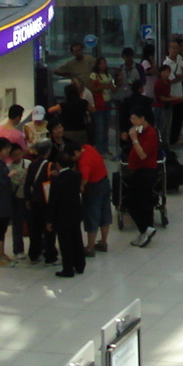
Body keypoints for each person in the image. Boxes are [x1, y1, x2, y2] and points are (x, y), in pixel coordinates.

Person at [125, 109, 161, 248]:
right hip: (137, 171)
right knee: (141, 202)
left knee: (132, 201)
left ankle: (145, 228)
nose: (132, 122)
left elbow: (143, 155)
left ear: (142, 118)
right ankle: (145, 230)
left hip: (145, 172)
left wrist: (134, 139)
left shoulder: (151, 134)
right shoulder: (140, 131)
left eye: (134, 118)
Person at [49, 147, 85, 278]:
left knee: (65, 243)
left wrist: (50, 220)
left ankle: (68, 269)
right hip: (75, 212)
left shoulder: (57, 181)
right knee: (77, 239)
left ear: (58, 164)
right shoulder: (76, 175)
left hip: (62, 216)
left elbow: (53, 202)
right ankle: (80, 265)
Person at [77, 139, 112, 255]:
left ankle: (90, 247)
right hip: (105, 182)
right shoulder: (88, 147)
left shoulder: (83, 163)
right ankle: (103, 242)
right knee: (105, 213)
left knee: (92, 215)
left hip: (94, 188)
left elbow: (85, 179)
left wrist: (81, 187)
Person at [86, 56, 119, 151]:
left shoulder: (108, 76)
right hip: (99, 103)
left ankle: (105, 148)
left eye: (105, 63)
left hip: (108, 102)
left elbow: (113, 89)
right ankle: (99, 149)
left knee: (106, 127)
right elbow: (91, 88)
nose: (103, 65)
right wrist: (103, 87)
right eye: (101, 63)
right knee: (100, 127)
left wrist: (119, 81)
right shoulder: (94, 75)